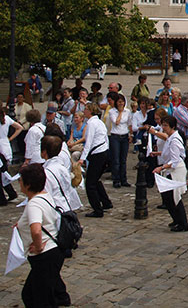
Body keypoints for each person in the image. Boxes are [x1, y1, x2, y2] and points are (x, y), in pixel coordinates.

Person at [17, 164, 71, 307]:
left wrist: (39, 246)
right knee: (34, 294)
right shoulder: (44, 196)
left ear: (28, 185)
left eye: (21, 181)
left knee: (37, 298)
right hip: (52, 253)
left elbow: (36, 230)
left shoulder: (33, 204)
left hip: (45, 256)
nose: (19, 183)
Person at [151, 116, 188, 232]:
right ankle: (176, 219)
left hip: (176, 170)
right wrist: (158, 153)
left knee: (175, 197)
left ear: (172, 126)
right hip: (170, 169)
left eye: (166, 125)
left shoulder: (175, 140)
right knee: (167, 197)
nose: (163, 128)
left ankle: (182, 223)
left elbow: (175, 160)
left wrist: (161, 167)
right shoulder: (170, 138)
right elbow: (169, 152)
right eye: (163, 125)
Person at [79, 103, 113, 218]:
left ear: (90, 111)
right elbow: (105, 139)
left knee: (90, 184)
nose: (84, 111)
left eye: (86, 109)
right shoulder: (99, 122)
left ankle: (97, 209)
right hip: (103, 152)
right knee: (96, 179)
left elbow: (88, 142)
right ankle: (106, 202)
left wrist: (82, 158)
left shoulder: (92, 124)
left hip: (97, 154)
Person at [41, 135, 83, 213]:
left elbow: (46, 194)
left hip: (55, 209)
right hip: (66, 206)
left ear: (44, 152)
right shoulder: (62, 168)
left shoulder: (47, 172)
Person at [108, 94, 132, 188]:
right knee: (116, 159)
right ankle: (116, 179)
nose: (121, 103)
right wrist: (120, 112)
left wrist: (131, 135)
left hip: (124, 136)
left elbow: (129, 123)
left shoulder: (128, 111)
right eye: (119, 101)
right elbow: (116, 122)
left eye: (122, 101)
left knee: (123, 159)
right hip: (115, 136)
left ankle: (123, 179)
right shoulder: (112, 111)